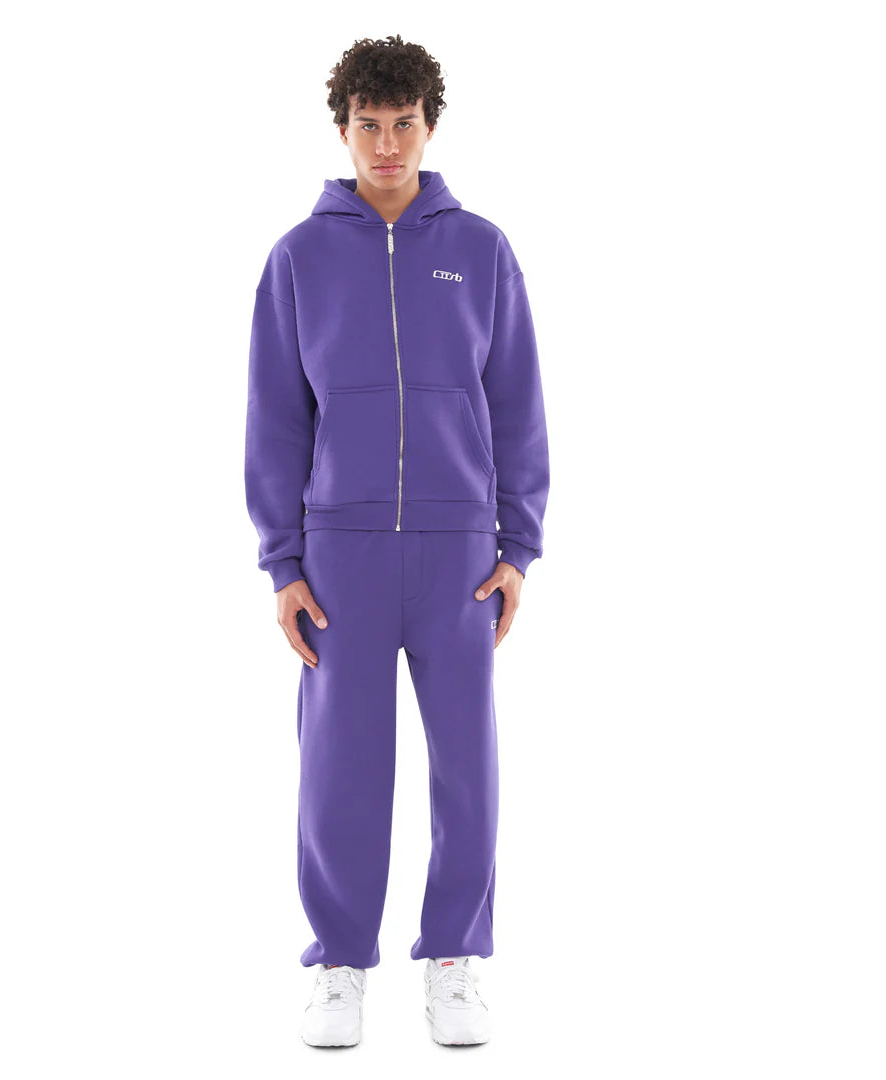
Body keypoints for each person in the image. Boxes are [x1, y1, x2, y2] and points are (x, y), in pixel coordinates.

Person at [244, 35, 550, 1048]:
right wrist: (284, 564)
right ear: (342, 129)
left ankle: (454, 958)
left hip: (460, 553)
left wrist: (518, 546)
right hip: (342, 556)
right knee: (340, 765)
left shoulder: (483, 251)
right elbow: (276, 420)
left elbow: (517, 405)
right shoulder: (299, 258)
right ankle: (338, 963)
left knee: (468, 762)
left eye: (404, 123)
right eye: (368, 125)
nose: (386, 144)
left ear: (429, 125)